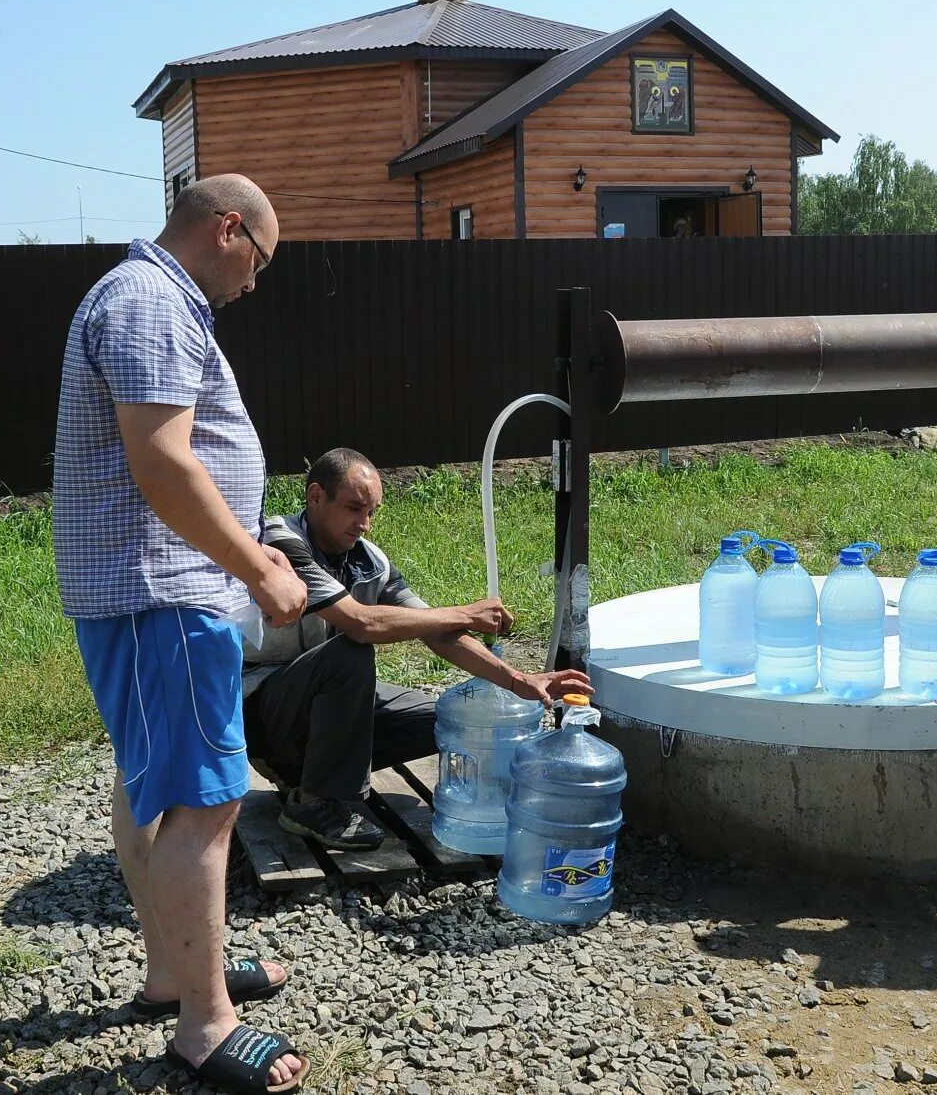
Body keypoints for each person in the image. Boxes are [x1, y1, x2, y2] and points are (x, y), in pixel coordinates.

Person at [52, 173, 308, 1092]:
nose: (254, 283)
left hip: (146, 588)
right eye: (261, 261)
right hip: (162, 590)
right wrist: (256, 564)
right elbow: (163, 464)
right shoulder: (153, 300)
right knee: (208, 797)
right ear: (230, 229)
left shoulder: (143, 296)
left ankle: (176, 972)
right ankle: (205, 1023)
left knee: (152, 786)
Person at [244, 447, 593, 848]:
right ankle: (313, 801)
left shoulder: (370, 561)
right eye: (355, 508)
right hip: (263, 704)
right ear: (316, 496)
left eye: (372, 512)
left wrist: (518, 680)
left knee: (446, 720)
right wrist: (465, 612)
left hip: (321, 700)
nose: (365, 524)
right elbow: (362, 623)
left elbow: (435, 631)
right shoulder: (280, 542)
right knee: (351, 652)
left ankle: (308, 772)